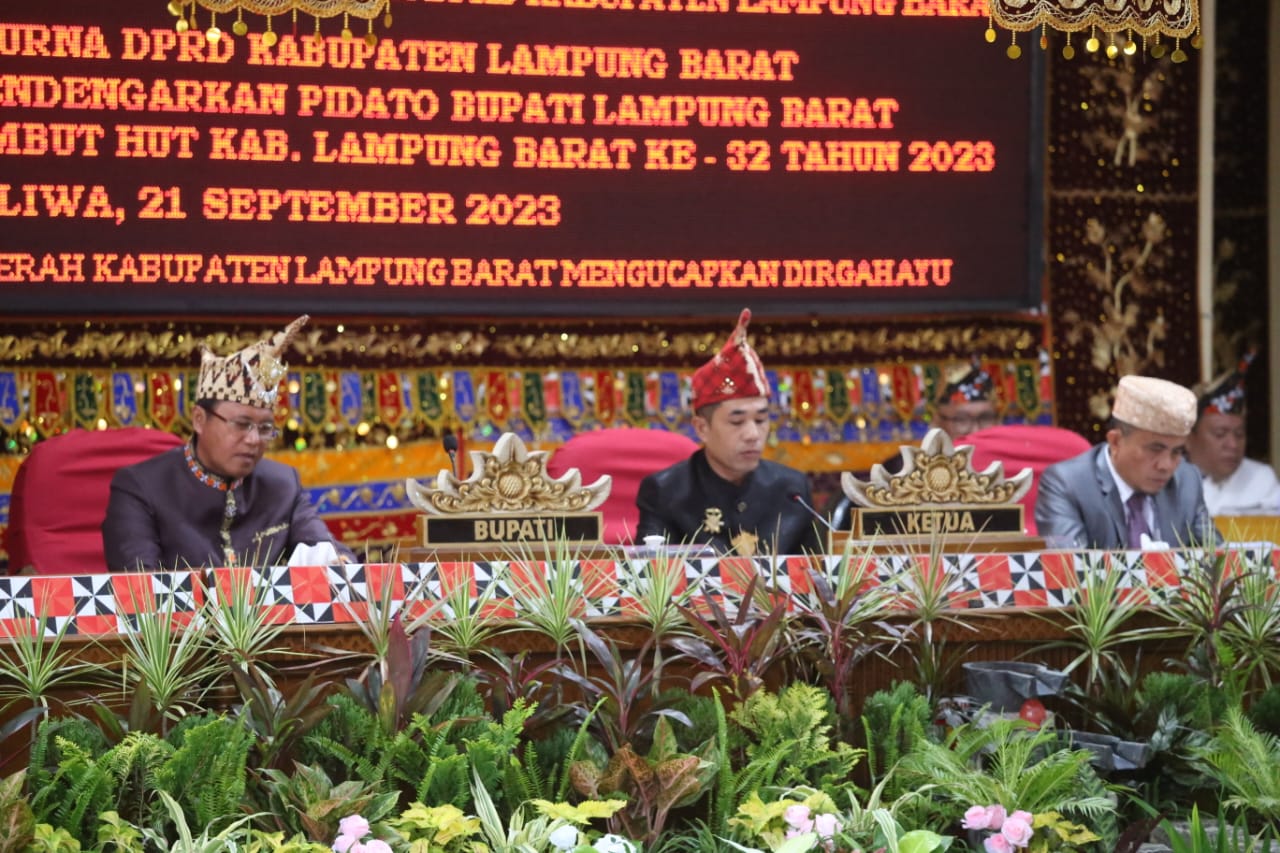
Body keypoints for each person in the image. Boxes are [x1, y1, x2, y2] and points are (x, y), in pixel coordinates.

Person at [102, 316, 355, 570]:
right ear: (199, 420)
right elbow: (137, 590)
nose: (254, 439)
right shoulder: (141, 488)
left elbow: (323, 548)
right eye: (241, 424)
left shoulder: (283, 485)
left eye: (265, 428)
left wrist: (337, 564)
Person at [635, 309, 823, 556]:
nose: (753, 434)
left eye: (761, 419)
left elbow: (817, 573)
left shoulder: (792, 489)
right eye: (737, 422)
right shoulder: (666, 491)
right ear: (702, 428)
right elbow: (648, 578)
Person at [1035, 375, 1220, 549]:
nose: (1166, 465)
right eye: (1155, 449)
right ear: (1115, 442)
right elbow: (1069, 570)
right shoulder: (1067, 484)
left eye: (1177, 452)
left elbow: (1219, 562)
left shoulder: (1187, 481)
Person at [828, 357, 997, 528]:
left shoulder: (1003, 468)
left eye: (985, 418)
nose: (976, 430)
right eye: (961, 419)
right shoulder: (900, 471)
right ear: (937, 421)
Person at [1186, 353, 1280, 515]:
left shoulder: (1260, 479)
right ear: (1188, 438)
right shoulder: (1165, 478)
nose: (1233, 445)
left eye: (1239, 434)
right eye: (1220, 434)